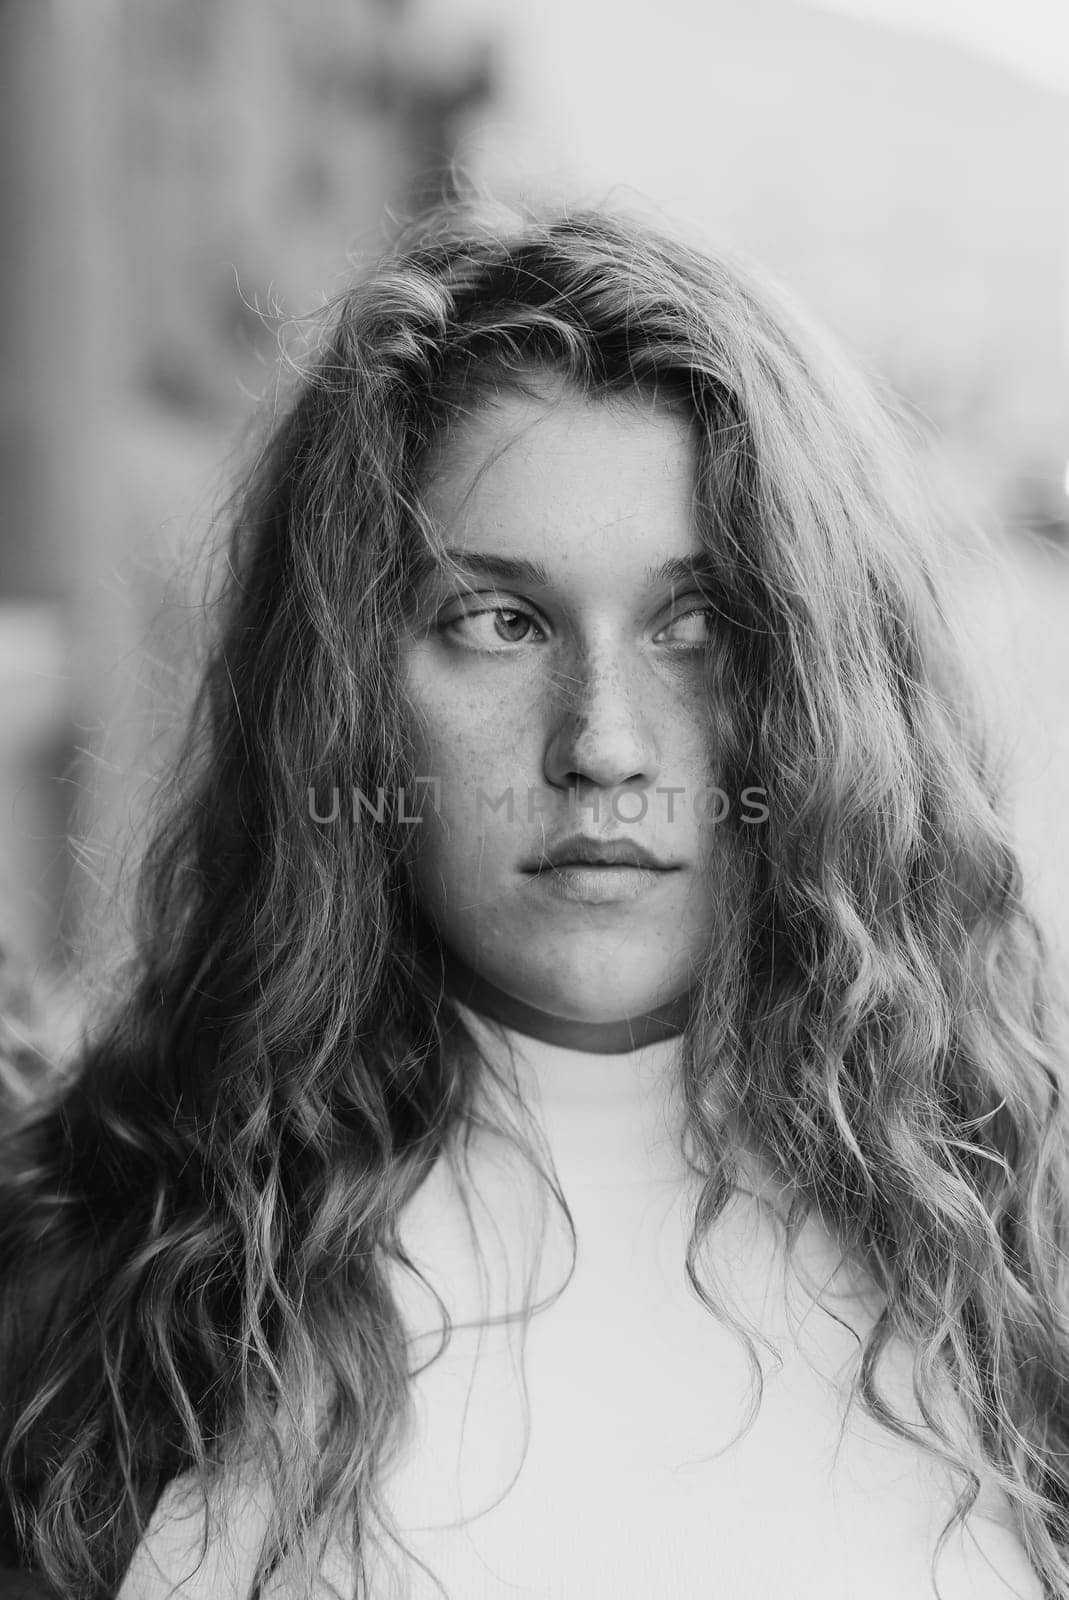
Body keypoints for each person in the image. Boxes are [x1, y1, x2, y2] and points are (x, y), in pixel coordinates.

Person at [1, 193, 1067, 1600]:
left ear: (820, 684)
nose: (603, 744)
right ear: (346, 696)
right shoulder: (95, 1279)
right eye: (496, 622)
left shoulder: (1020, 1256)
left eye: (700, 627)